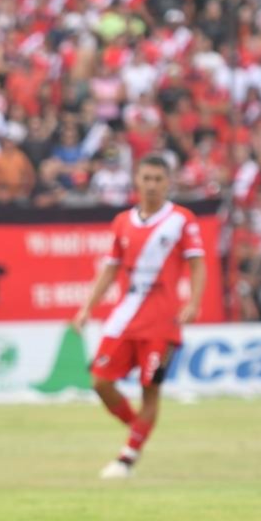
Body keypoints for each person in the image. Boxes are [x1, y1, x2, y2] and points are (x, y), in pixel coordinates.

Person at [72, 154, 206, 479]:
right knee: (100, 381)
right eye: (146, 178)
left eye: (159, 179)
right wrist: (88, 306)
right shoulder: (122, 222)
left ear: (168, 182)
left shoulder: (181, 219)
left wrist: (194, 302)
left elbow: (198, 263)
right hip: (124, 318)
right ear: (137, 181)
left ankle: (127, 457)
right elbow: (110, 269)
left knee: (150, 389)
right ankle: (138, 429)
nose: (152, 185)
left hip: (162, 324)